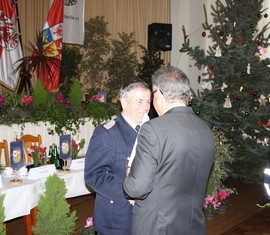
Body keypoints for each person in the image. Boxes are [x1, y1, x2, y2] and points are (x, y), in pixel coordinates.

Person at [123, 66, 215, 235]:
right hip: (193, 225)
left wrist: (129, 175)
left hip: (157, 227)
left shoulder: (153, 129)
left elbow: (137, 188)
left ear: (160, 94)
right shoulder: (205, 129)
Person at [84, 79, 151, 235]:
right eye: (139, 101)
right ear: (123, 102)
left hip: (144, 216)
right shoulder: (107, 133)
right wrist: (129, 191)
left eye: (148, 101)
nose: (145, 107)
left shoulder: (149, 131)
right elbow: (93, 175)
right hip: (117, 219)